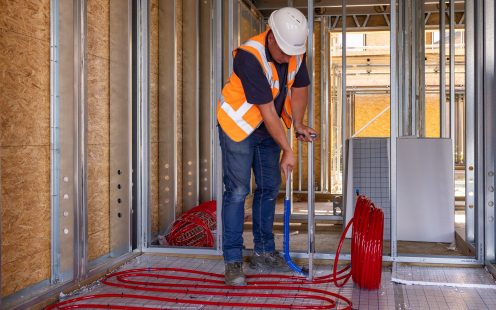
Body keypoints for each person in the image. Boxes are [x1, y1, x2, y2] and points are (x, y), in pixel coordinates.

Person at [217, 7, 318, 286]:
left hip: (266, 130)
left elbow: (300, 88)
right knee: (238, 191)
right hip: (238, 126)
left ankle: (263, 252)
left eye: (291, 52)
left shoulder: (296, 50)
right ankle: (234, 261)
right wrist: (288, 148)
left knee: (269, 188)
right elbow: (267, 111)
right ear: (271, 36)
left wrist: (298, 123)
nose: (288, 58)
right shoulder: (250, 56)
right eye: (283, 52)